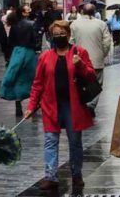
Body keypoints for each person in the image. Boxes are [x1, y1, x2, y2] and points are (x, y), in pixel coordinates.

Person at [24, 21, 96, 193]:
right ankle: (51, 177)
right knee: (50, 141)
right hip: (51, 105)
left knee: (75, 142)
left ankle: (77, 174)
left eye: (62, 33)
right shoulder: (45, 57)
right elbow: (38, 84)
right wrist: (31, 106)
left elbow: (91, 75)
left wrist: (79, 64)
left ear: (69, 34)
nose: (59, 37)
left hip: (73, 106)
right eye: (55, 34)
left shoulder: (80, 52)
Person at [70, 4, 112, 113]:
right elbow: (107, 42)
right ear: (94, 12)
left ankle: (83, 104)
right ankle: (91, 105)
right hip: (96, 58)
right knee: (97, 83)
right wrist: (102, 54)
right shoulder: (101, 24)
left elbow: (71, 42)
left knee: (80, 82)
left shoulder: (74, 24)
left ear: (82, 11)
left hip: (79, 59)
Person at [2, 9, 42, 116]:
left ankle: (18, 104)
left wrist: (9, 56)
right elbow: (35, 40)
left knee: (18, 77)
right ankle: (34, 104)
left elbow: (10, 42)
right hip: (29, 53)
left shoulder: (14, 26)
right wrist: (37, 49)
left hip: (17, 52)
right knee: (33, 78)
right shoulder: (31, 24)